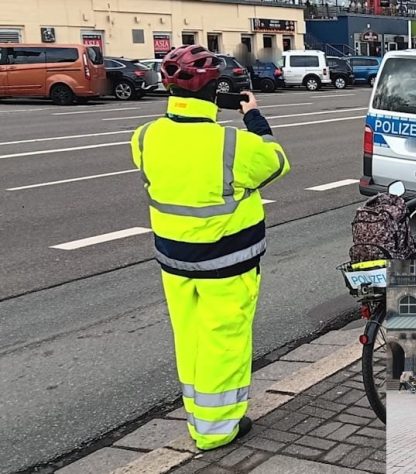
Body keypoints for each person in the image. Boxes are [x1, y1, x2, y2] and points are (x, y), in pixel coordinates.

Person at [130, 45, 290, 451]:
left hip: (174, 261)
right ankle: (216, 429)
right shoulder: (232, 144)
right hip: (228, 263)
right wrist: (252, 114)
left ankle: (196, 415)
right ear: (216, 92)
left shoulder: (146, 136)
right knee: (225, 341)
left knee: (190, 338)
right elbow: (275, 161)